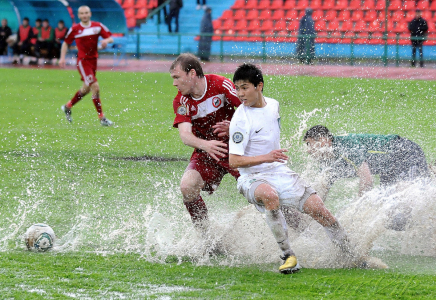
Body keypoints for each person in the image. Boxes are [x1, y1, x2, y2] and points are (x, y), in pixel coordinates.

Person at [229, 64, 363, 274]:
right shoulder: (239, 120)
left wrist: (274, 157)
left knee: (321, 212)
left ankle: (351, 254)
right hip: (252, 177)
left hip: (280, 172)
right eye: (237, 88)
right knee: (270, 196)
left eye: (244, 87)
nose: (240, 94)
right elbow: (234, 161)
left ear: (259, 86)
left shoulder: (273, 105)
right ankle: (288, 256)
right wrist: (268, 156)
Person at [170, 53, 241, 247]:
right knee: (187, 187)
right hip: (207, 153)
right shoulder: (181, 101)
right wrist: (206, 145)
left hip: (237, 149)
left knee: (259, 193)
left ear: (192, 73)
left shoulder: (221, 85)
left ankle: (294, 224)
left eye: (177, 77)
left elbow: (253, 111)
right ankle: (208, 241)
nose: (174, 84)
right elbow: (185, 136)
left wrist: (234, 126)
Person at [304, 125, 430, 200]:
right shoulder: (327, 163)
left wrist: (358, 210)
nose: (309, 150)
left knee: (412, 201)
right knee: (392, 218)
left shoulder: (344, 145)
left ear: (323, 140)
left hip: (405, 153)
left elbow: (367, 180)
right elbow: (320, 195)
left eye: (310, 144)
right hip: (389, 169)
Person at [59, 5, 114, 126]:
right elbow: (65, 43)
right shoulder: (75, 29)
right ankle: (102, 118)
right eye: (82, 13)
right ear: (78, 16)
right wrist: (62, 58)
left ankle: (67, 106)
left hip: (93, 61)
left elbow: (110, 38)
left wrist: (105, 42)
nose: (84, 15)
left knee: (86, 89)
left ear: (90, 14)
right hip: (83, 61)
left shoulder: (97, 26)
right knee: (95, 86)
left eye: (86, 13)